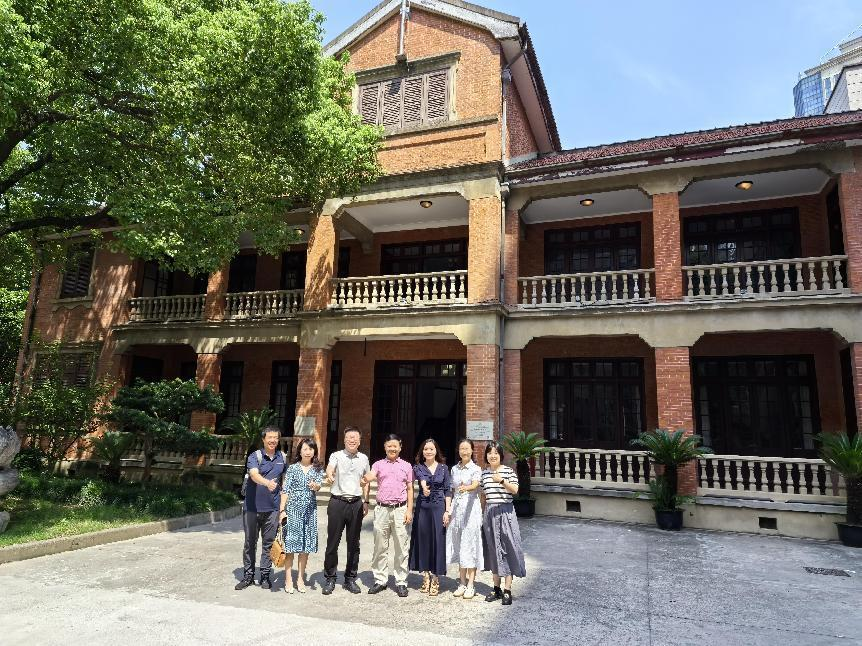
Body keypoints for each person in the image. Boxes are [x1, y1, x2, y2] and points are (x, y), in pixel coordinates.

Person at [360, 434, 414, 597]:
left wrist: (409, 510)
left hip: (400, 510)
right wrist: (364, 479)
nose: (392, 448)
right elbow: (370, 476)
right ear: (385, 447)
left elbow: (410, 489)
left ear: (400, 447)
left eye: (395, 446)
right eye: (389, 446)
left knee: (401, 547)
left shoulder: (406, 466)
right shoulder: (378, 464)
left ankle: (401, 581)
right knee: (380, 547)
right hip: (382, 510)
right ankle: (380, 579)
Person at [235, 426, 287, 591]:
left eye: (275, 438)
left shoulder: (282, 457)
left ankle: (265, 576)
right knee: (250, 543)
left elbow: (284, 482)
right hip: (252, 508)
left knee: (268, 544)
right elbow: (254, 474)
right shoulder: (255, 456)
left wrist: (282, 508)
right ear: (263, 439)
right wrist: (267, 483)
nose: (273, 440)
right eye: (269, 437)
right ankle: (248, 576)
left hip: (272, 509)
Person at [322, 426, 370, 595]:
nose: (352, 440)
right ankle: (330, 578)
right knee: (332, 542)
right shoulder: (336, 455)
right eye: (349, 437)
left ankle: (350, 578)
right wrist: (330, 475)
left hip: (356, 503)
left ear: (359, 441)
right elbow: (330, 468)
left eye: (355, 437)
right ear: (344, 440)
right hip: (337, 502)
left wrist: (366, 501)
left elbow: (366, 480)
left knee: (354, 544)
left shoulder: (364, 458)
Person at [480, 440, 526, 606]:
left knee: (508, 548)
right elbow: (483, 496)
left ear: (501, 455)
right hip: (490, 513)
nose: (492, 456)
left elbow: (515, 490)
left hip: (506, 512)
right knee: (493, 549)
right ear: (486, 455)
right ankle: (496, 589)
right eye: (490, 453)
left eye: (496, 453)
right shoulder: (484, 474)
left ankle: (507, 590)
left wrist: (501, 481)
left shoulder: (508, 471)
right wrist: (482, 515)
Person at [279, 438, 324, 593]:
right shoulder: (292, 468)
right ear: (300, 451)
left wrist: (315, 486)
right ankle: (288, 579)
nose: (308, 452)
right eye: (305, 449)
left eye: (311, 449)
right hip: (293, 510)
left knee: (305, 547)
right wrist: (282, 510)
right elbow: (286, 490)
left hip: (309, 511)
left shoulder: (317, 469)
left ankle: (300, 579)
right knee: (290, 546)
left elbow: (319, 485)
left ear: (314, 451)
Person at [408, 438, 451, 596]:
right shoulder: (418, 467)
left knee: (438, 541)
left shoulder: (444, 468)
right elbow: (421, 480)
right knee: (423, 541)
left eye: (431, 449)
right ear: (422, 452)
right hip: (423, 508)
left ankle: (436, 578)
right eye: (426, 449)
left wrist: (447, 511)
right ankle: (425, 576)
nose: (428, 451)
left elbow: (447, 490)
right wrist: (423, 487)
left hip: (439, 508)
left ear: (436, 451)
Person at [446, 438, 483, 599]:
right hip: (457, 510)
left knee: (471, 544)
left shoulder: (476, 468)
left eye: (467, 448)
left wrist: (466, 488)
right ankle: (462, 582)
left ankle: (471, 584)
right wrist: (448, 510)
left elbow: (475, 485)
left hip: (471, 510)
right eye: (462, 448)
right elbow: (451, 489)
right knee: (460, 544)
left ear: (472, 450)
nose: (464, 451)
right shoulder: (454, 469)